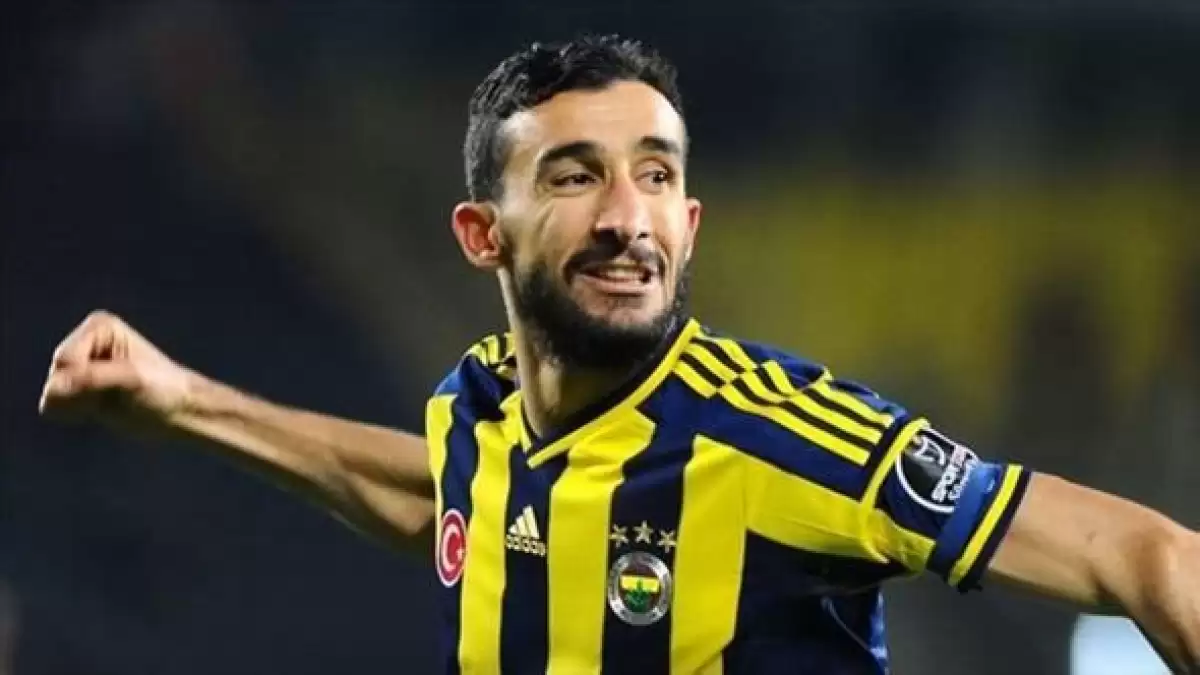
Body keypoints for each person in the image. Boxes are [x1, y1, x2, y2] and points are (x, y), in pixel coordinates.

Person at [38, 35, 1199, 674]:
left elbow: (1145, 556)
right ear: (482, 234)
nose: (625, 218)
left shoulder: (779, 436)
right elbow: (446, 495)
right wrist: (184, 402)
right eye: (574, 176)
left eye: (655, 175)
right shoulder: (477, 403)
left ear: (688, 225)